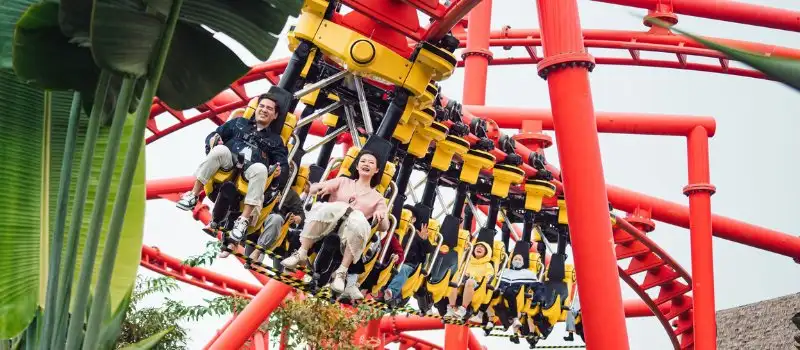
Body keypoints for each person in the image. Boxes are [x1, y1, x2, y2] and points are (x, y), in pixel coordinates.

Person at [176, 94, 289, 240]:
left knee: (261, 168)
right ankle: (193, 195)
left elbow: (284, 166)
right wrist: (213, 141)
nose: (264, 110)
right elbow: (214, 135)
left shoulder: (275, 141)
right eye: (261, 106)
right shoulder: (239, 123)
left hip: (251, 172)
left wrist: (278, 173)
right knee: (220, 150)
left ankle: (243, 219)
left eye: (269, 108)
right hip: (228, 164)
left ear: (275, 115)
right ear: (256, 109)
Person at [280, 150, 390, 294]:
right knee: (333, 207)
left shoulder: (377, 198)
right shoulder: (343, 181)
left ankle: (342, 272)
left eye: (371, 163)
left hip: (349, 234)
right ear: (357, 166)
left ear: (376, 170)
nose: (366, 164)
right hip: (327, 226)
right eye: (363, 161)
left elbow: (385, 226)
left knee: (358, 218)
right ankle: (301, 252)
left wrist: (381, 216)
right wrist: (319, 187)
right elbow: (313, 189)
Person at [383, 205, 432, 303]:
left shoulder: (415, 233)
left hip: (408, 263)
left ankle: (391, 291)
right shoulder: (394, 228)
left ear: (413, 219)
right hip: (392, 259)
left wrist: (424, 239)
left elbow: (428, 250)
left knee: (404, 269)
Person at [248, 183, 307, 263]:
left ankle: (259, 251)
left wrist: (298, 218)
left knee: (277, 219)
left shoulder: (291, 194)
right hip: (257, 215)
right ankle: (233, 241)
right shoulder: (267, 182)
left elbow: (301, 215)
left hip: (276, 225)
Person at [446, 241, 494, 319]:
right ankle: (452, 307)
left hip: (477, 285)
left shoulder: (488, 265)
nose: (479, 247)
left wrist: (474, 277)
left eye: (482, 247)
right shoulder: (467, 262)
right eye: (477, 246)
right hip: (463, 281)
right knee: (454, 281)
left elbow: (489, 277)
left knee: (470, 281)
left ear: (486, 252)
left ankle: (463, 309)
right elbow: (460, 272)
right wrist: (464, 275)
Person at [494, 253, 541, 332]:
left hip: (518, 294)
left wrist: (536, 297)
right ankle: (487, 317)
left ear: (523, 263)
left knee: (509, 291)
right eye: (515, 259)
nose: (517, 261)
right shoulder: (504, 271)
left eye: (519, 259)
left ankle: (514, 319)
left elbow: (538, 287)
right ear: (511, 261)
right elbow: (497, 282)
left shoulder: (528, 274)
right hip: (503, 293)